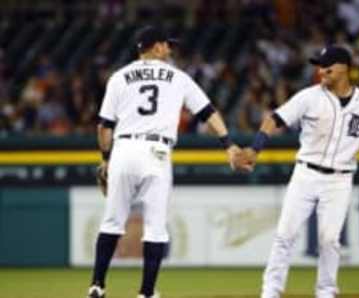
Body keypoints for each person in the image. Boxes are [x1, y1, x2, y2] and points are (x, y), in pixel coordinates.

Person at [239, 46, 359, 298]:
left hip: (340, 180)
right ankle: (270, 292)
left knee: (329, 240)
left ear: (343, 68)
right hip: (305, 174)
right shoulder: (309, 97)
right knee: (284, 234)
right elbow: (274, 119)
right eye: (319, 65)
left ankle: (326, 292)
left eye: (326, 66)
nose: (321, 70)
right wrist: (255, 149)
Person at [87, 26, 243, 298]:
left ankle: (97, 286)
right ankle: (146, 293)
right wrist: (228, 144)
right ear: (156, 46)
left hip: (124, 148)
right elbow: (207, 112)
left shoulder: (119, 77)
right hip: (156, 152)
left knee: (112, 221)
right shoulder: (178, 77)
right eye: (167, 45)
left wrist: (106, 159)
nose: (170, 50)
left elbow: (104, 126)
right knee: (155, 227)